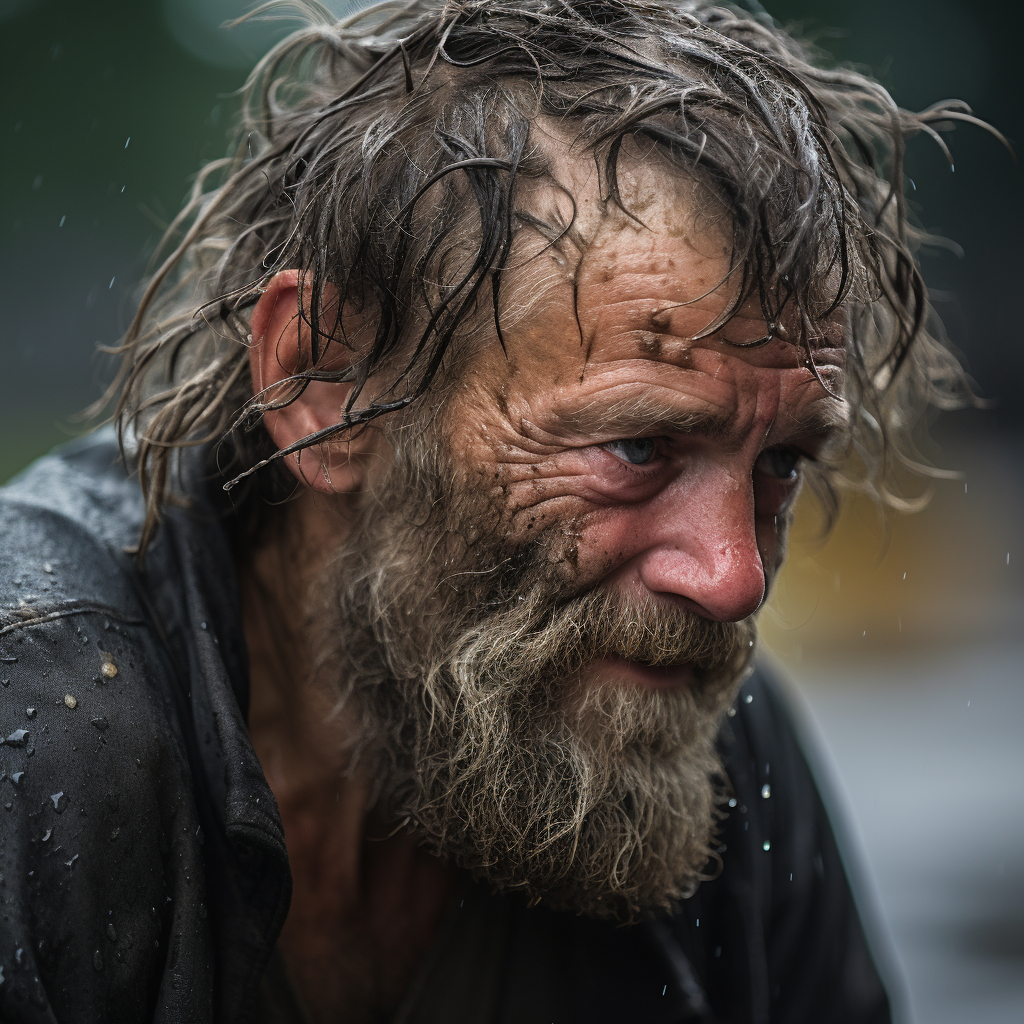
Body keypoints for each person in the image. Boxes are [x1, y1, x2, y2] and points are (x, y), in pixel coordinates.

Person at [0, 1, 976, 1021]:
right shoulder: (41, 726)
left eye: (778, 462)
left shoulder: (695, 740)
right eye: (636, 447)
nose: (732, 578)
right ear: (325, 382)